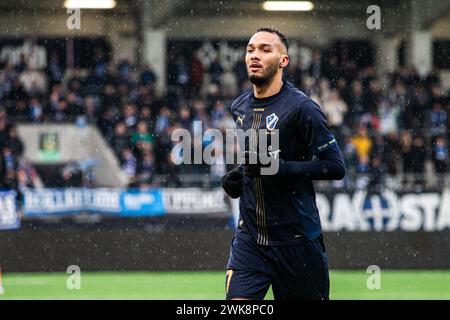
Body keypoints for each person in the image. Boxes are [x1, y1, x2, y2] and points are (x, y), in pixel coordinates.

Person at [221, 27, 345, 300]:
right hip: (250, 240)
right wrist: (239, 177)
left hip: (297, 241)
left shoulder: (303, 109)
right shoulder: (240, 107)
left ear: (283, 61)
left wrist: (283, 168)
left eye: (266, 49)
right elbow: (257, 161)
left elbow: (336, 166)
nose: (255, 55)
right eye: (251, 49)